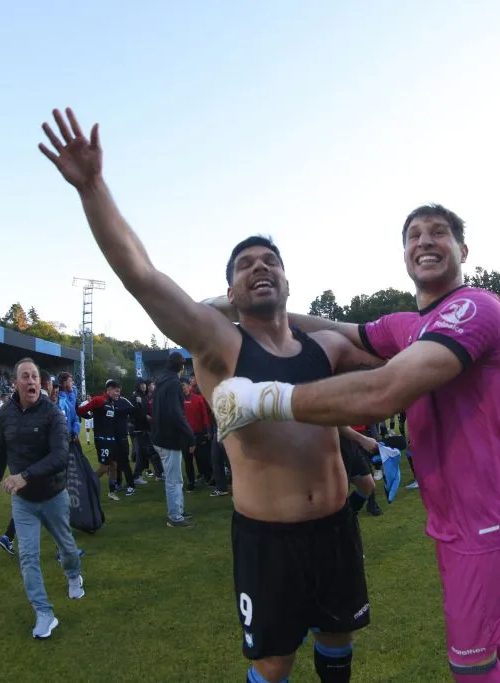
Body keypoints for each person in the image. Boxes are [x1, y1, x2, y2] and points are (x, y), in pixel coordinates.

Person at [39, 107, 378, 682]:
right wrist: (94, 189)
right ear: (228, 291)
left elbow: (387, 347)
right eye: (246, 266)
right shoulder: (218, 344)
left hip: (335, 527)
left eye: (271, 262)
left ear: (288, 282)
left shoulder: (327, 350)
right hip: (268, 539)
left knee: (338, 638)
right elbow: (142, 276)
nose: (259, 267)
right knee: (274, 664)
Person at [210, 204, 500, 683]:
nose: (424, 241)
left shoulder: (473, 308)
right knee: (496, 657)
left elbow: (384, 391)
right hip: (464, 523)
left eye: (439, 233)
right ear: (404, 255)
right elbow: (334, 329)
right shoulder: (411, 325)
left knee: (472, 670)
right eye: (413, 235)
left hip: (484, 526)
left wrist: (265, 398)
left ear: (463, 250)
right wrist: (243, 306)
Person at [0, 358, 85, 640]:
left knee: (67, 550)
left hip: (53, 495)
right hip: (23, 500)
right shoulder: (5, 412)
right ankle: (44, 613)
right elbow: (2, 448)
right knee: (28, 557)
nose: (31, 381)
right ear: (16, 383)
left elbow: (60, 456)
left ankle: (73, 575)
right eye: (25, 377)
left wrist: (25, 475)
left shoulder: (53, 413)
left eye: (34, 377)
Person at [152, 352, 195, 525]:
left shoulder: (161, 382)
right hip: (168, 439)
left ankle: (178, 510)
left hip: (160, 436)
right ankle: (175, 516)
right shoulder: (173, 384)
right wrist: (190, 435)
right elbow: (176, 413)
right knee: (174, 480)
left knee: (175, 478)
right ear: (181, 366)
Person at [77, 379, 137, 500]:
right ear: (109, 390)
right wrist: (88, 415)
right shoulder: (99, 400)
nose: (118, 394)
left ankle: (112, 492)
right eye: (116, 391)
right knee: (104, 467)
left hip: (111, 439)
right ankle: (86, 485)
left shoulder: (112, 403)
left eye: (119, 392)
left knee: (114, 465)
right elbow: (81, 411)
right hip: (102, 439)